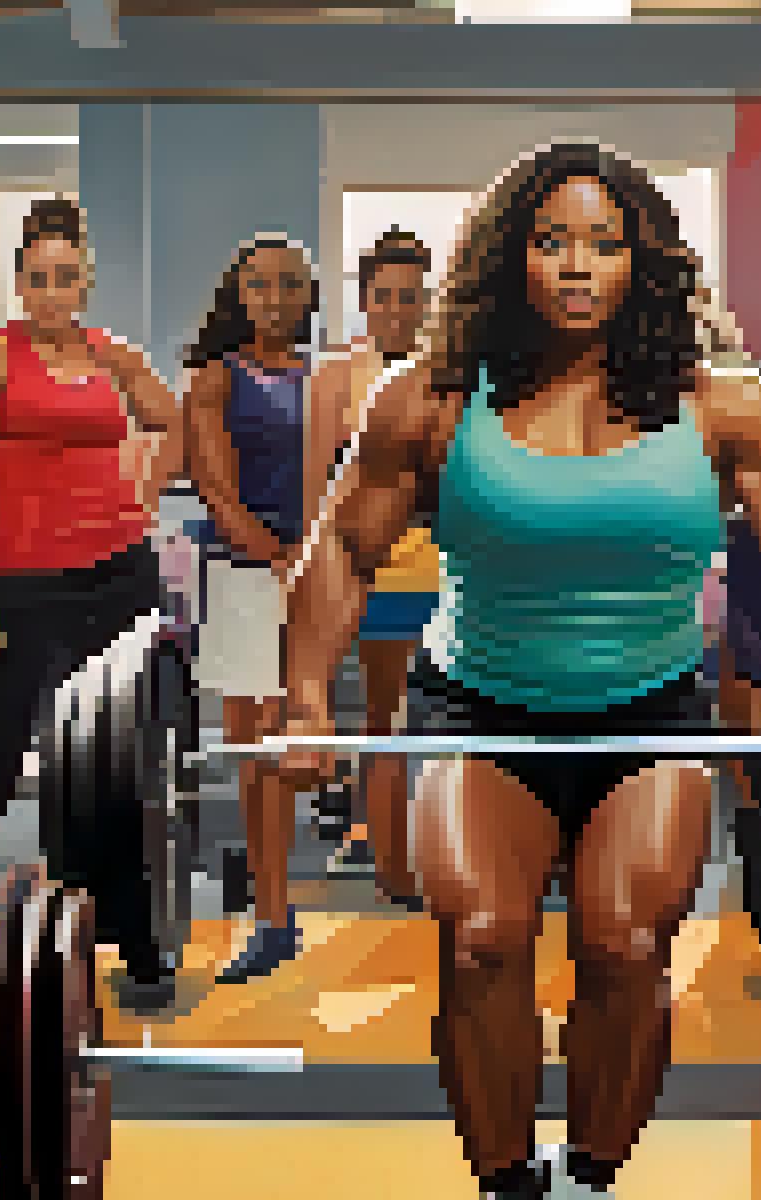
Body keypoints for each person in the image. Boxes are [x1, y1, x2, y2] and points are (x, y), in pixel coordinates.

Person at [275, 143, 761, 1199]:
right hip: (478, 710)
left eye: (604, 243)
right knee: (481, 943)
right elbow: (342, 551)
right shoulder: (432, 401)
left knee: (626, 945)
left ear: (644, 261)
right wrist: (311, 704)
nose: (578, 265)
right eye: (552, 242)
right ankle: (507, 1184)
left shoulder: (726, 406)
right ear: (513, 257)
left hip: (649, 716)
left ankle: (591, 1179)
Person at [0, 198, 184, 1015]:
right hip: (22, 582)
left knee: (117, 763)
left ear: (85, 282)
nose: (52, 293)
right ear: (20, 283)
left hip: (119, 575)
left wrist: (142, 495)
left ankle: (132, 942)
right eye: (38, 279)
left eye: (66, 278)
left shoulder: (113, 356)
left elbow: (174, 422)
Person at [182, 234, 322, 983]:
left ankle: (274, 906)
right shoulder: (215, 378)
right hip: (245, 575)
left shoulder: (319, 377)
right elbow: (217, 491)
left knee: (293, 745)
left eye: (289, 285)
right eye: (262, 285)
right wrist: (279, 557)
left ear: (308, 296)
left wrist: (316, 559)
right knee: (257, 751)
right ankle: (271, 917)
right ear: (240, 294)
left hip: (310, 574)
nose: (275, 298)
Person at [306, 229, 435, 906]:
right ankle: (393, 867)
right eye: (384, 296)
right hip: (376, 575)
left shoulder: (451, 376)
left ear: (427, 302)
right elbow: (317, 492)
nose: (396, 309)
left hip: (447, 573)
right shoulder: (337, 378)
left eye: (409, 297)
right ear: (364, 300)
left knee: (454, 721)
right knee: (387, 718)